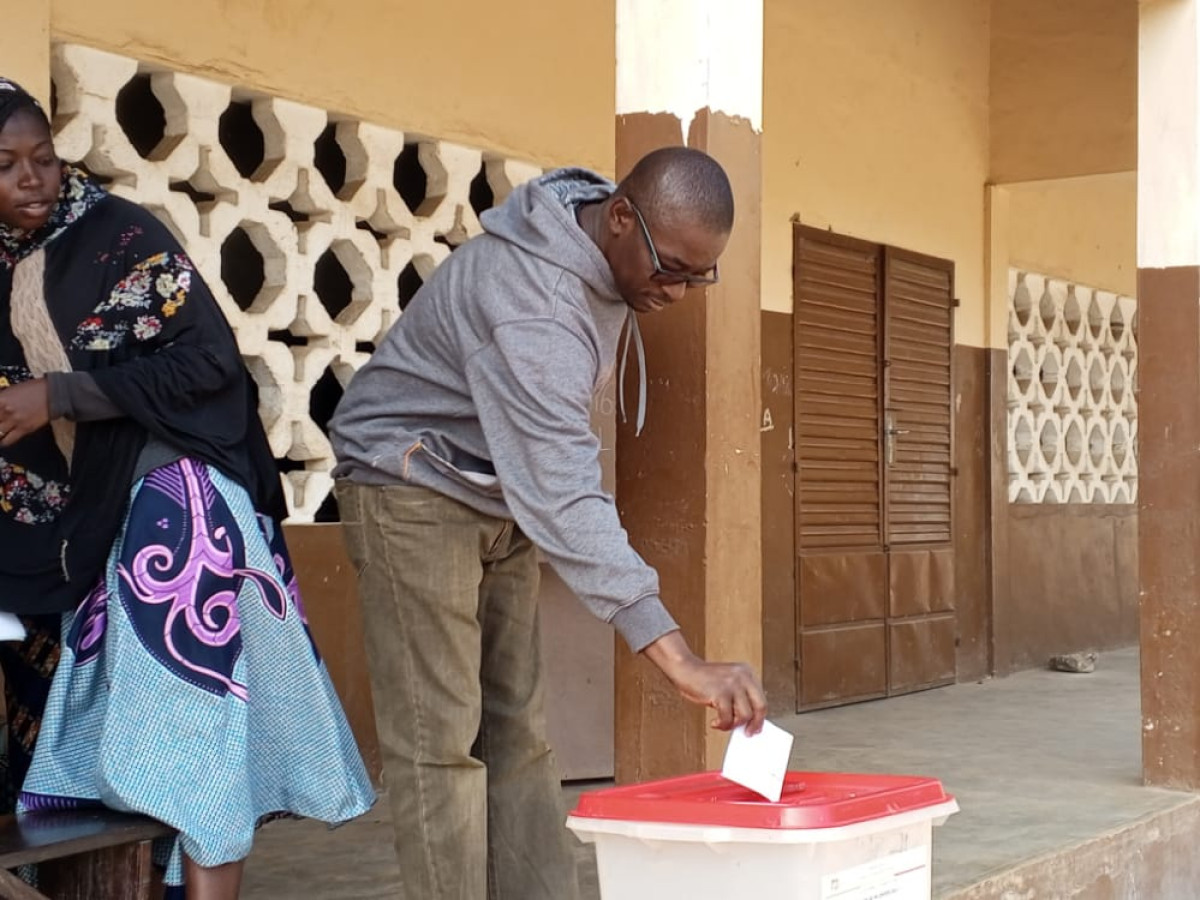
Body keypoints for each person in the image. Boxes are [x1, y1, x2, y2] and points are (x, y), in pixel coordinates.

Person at [331, 146, 768, 900]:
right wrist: (680, 661)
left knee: (518, 735)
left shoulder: (606, 236)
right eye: (672, 270)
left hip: (495, 488)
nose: (681, 292)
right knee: (441, 745)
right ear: (622, 219)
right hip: (410, 485)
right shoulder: (534, 301)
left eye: (701, 276)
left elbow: (546, 472)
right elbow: (565, 490)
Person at [0, 77, 375, 899]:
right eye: (6, 165)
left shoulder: (119, 237)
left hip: (173, 513)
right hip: (65, 532)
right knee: (94, 753)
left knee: (195, 737)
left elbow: (206, 363)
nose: (32, 179)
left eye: (43, 158)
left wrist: (58, 396)